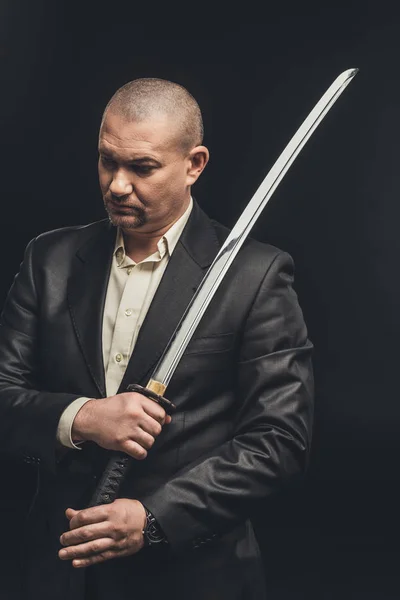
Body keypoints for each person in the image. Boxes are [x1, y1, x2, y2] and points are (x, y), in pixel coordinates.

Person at [0, 78, 314, 600]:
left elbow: (279, 442)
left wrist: (153, 519)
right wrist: (80, 417)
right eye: (107, 161)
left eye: (141, 167)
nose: (117, 185)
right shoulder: (48, 261)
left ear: (195, 164)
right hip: (55, 569)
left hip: (191, 575)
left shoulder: (255, 276)